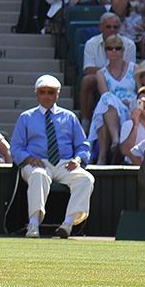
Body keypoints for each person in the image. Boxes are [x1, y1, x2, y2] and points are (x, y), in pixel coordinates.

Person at [9, 74, 94, 237]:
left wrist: (77, 159)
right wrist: (28, 158)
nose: (46, 96)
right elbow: (16, 146)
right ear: (37, 94)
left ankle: (68, 224)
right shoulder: (26, 117)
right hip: (37, 163)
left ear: (57, 94)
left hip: (65, 164)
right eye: (42, 92)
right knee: (39, 175)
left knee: (86, 179)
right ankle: (33, 224)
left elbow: (83, 144)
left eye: (50, 92)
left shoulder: (69, 117)